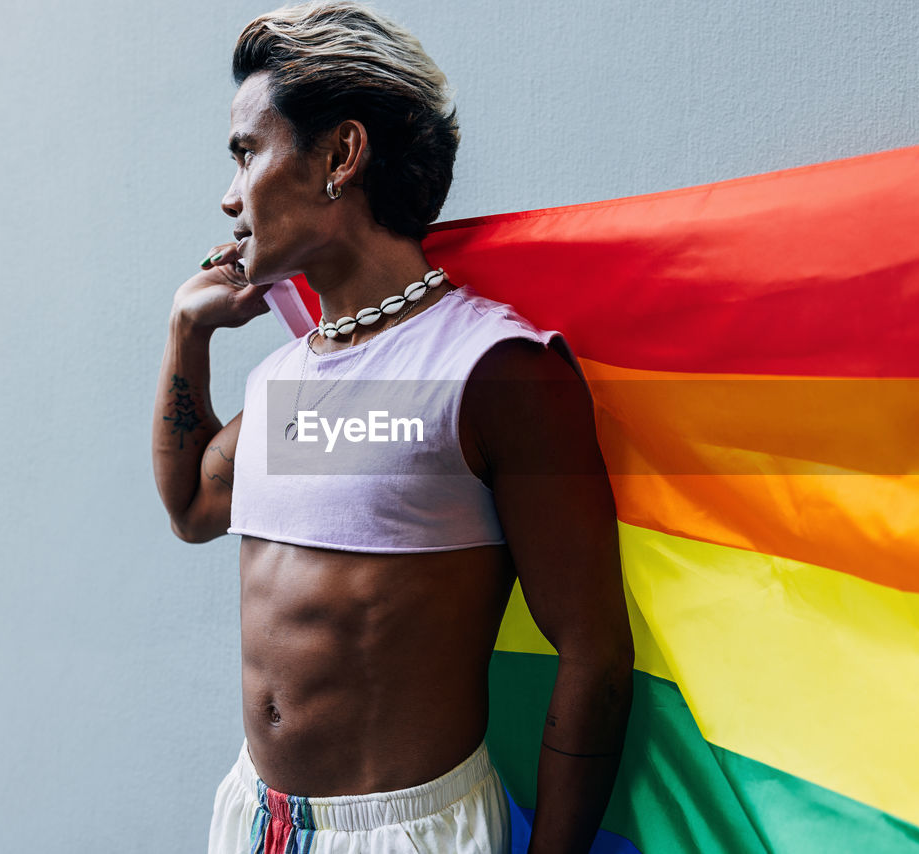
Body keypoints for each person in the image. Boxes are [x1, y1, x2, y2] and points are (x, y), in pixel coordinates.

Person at [151, 3, 634, 851]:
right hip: (252, 817)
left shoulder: (494, 369)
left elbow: (593, 654)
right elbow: (193, 506)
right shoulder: (287, 378)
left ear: (340, 155)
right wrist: (185, 334)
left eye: (245, 152)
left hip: (408, 832)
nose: (228, 196)